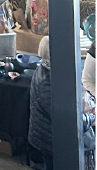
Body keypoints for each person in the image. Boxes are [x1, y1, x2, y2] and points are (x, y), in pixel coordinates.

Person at [28, 36, 97, 170]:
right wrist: (92, 117)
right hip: (48, 146)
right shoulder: (48, 84)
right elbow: (69, 120)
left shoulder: (47, 71)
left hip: (47, 141)